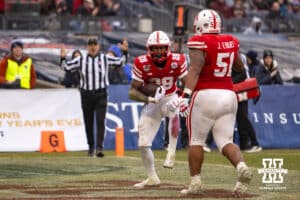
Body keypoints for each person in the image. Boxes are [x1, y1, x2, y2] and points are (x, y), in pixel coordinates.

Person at [169, 9, 252, 197]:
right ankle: (241, 167)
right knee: (226, 142)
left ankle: (196, 183)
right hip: (228, 95)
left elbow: (195, 70)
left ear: (200, 25)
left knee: (196, 141)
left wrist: (186, 95)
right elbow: (239, 66)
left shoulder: (201, 41)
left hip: (206, 95)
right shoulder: (230, 40)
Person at [129, 30, 187, 188]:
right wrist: (149, 98)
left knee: (174, 109)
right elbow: (132, 91)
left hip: (171, 96)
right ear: (149, 48)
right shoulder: (141, 62)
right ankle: (152, 177)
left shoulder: (178, 59)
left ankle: (171, 152)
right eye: (155, 48)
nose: (158, 51)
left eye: (161, 48)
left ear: (167, 47)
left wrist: (182, 99)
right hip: (153, 102)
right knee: (142, 143)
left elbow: (188, 83)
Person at [60, 37, 128, 157]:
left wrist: (125, 52)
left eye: (95, 44)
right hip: (86, 94)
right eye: (90, 44)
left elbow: (121, 62)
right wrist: (63, 57)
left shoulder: (105, 58)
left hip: (101, 94)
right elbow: (65, 67)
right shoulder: (81, 60)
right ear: (87, 47)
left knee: (101, 121)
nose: (92, 47)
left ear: (98, 46)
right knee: (88, 121)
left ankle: (99, 148)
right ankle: (91, 146)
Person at [232, 53, 262, 153]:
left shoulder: (239, 57)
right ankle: (243, 144)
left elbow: (243, 74)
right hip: (237, 89)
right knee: (239, 119)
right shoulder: (237, 56)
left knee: (243, 118)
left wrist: (229, 83)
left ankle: (255, 143)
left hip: (240, 90)